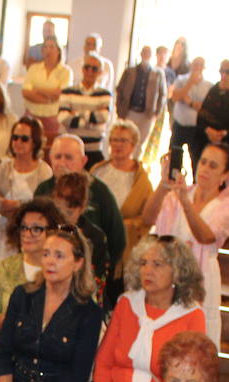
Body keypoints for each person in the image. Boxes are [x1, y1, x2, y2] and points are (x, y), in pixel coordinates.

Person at [0, 227, 102, 382]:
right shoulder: (22, 296)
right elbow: (2, 353)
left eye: (59, 256)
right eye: (46, 254)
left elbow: (76, 375)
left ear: (78, 263)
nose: (50, 261)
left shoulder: (88, 313)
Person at [93, 237, 206, 382]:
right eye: (143, 263)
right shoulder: (127, 304)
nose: (147, 271)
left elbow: (191, 381)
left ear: (177, 272)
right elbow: (103, 364)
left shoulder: (191, 315)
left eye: (157, 264)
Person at [142, 141, 229, 344]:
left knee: (195, 338)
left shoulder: (228, 204)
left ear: (224, 175)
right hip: (167, 272)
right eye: (203, 162)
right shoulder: (179, 193)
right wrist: (163, 186)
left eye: (213, 166)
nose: (205, 169)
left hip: (201, 276)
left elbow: (206, 237)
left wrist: (185, 203)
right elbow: (147, 218)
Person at [0, 197, 63, 358]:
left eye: (36, 229)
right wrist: (11, 320)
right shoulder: (7, 267)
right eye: (23, 227)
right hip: (9, 359)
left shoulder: (63, 269)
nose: (27, 234)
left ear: (52, 231)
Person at [34, 135, 127, 273]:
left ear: (83, 161)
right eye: (58, 157)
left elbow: (117, 237)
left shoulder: (99, 191)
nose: (62, 162)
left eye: (68, 157)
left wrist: (103, 269)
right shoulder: (43, 190)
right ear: (50, 159)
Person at [91, 121, 155, 297]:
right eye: (114, 140)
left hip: (124, 247)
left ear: (133, 145)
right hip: (96, 243)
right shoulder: (98, 170)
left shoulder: (141, 180)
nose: (117, 145)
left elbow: (146, 218)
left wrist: (123, 225)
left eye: (123, 140)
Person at [0, 115, 52, 268]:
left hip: (32, 232)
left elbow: (45, 204)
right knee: (2, 269)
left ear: (35, 142)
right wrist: (2, 204)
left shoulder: (43, 171)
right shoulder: (4, 167)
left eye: (24, 139)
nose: (18, 142)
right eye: (15, 138)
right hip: (4, 228)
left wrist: (17, 205)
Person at [51, 172, 110, 309]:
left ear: (82, 207)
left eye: (69, 212)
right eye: (58, 209)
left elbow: (97, 279)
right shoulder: (46, 230)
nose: (63, 217)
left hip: (82, 300)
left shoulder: (95, 237)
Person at [59, 57, 114, 166]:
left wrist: (77, 114)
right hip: (70, 149)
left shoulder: (105, 94)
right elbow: (63, 118)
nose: (90, 71)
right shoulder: (67, 92)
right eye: (87, 67)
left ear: (100, 72)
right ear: (82, 69)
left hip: (94, 150)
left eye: (94, 69)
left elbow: (104, 117)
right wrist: (91, 122)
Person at [114, 46, 166, 157]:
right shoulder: (130, 71)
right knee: (125, 140)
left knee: (140, 143)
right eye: (144, 52)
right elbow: (120, 90)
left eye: (148, 53)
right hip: (130, 112)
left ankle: (135, 163)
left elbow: (162, 94)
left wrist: (156, 112)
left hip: (146, 114)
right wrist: (119, 110)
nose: (146, 55)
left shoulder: (157, 74)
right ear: (141, 54)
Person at [195, 60, 229, 166]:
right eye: (221, 71)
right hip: (209, 138)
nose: (224, 75)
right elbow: (202, 115)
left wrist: (224, 133)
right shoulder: (213, 90)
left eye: (227, 72)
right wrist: (209, 130)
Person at [22, 38, 72, 139]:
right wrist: (49, 99)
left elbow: (61, 93)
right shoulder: (33, 68)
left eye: (51, 47)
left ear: (58, 50)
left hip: (53, 117)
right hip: (32, 115)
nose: (48, 50)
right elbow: (26, 93)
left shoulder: (66, 71)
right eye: (45, 47)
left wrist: (38, 89)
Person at [166, 58, 210, 162]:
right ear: (191, 65)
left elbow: (205, 106)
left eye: (200, 65)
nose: (198, 67)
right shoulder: (181, 80)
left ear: (204, 67)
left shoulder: (208, 85)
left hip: (197, 128)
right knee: (174, 158)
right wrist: (190, 83)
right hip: (180, 125)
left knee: (196, 159)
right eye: (195, 64)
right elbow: (175, 97)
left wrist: (189, 102)